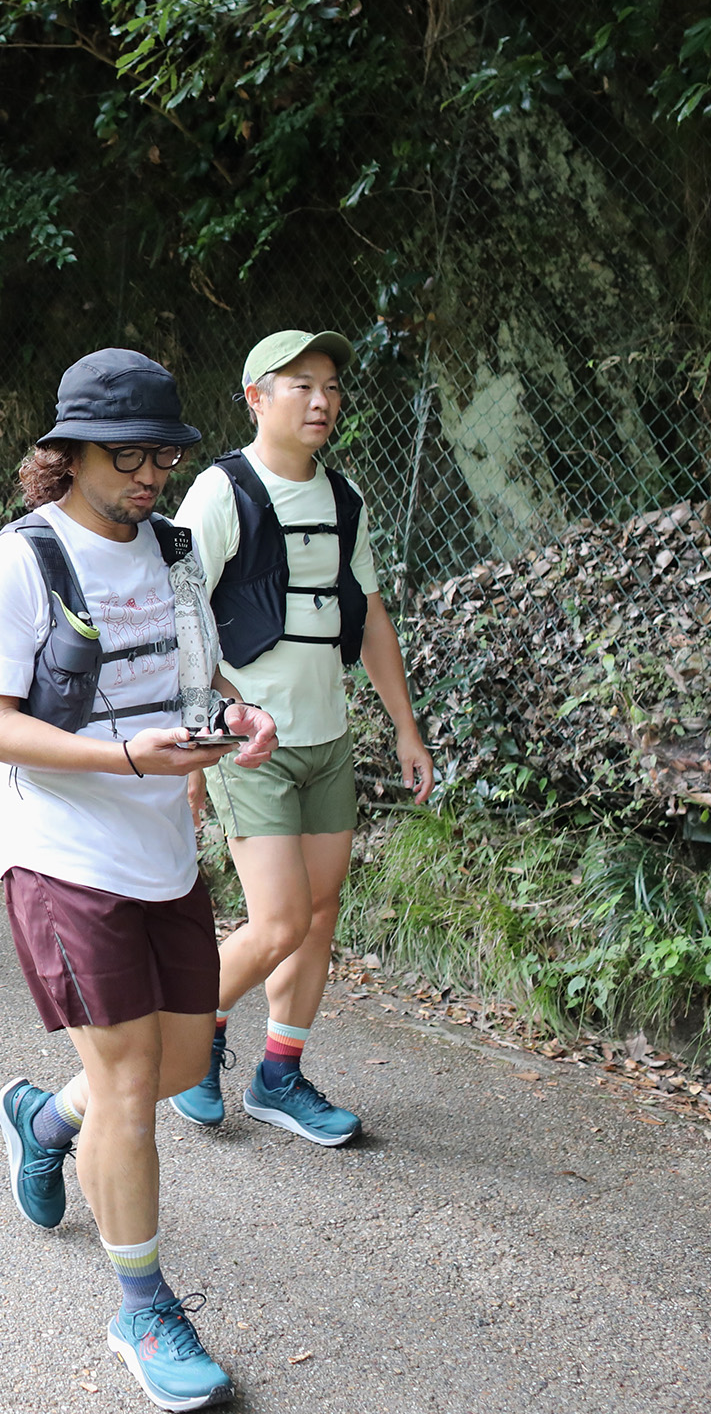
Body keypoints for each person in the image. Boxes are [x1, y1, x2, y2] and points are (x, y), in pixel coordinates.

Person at [0, 348, 278, 1413]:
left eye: (163, 455)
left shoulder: (174, 551)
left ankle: (44, 1124)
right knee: (136, 1086)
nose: (150, 476)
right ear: (71, 453)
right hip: (63, 854)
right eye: (129, 456)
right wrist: (128, 757)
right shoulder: (24, 561)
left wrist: (235, 709)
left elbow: (191, 668)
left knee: (183, 1053)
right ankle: (143, 1306)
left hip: (161, 850)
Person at [166, 330, 435, 1146]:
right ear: (257, 397)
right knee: (278, 921)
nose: (322, 401)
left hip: (329, 738)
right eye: (300, 385)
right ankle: (193, 1039)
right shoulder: (217, 493)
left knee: (318, 917)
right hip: (251, 744)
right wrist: (197, 734)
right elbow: (179, 621)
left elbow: (373, 615)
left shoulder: (344, 497)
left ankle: (279, 1076)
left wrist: (404, 726)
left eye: (331, 386)